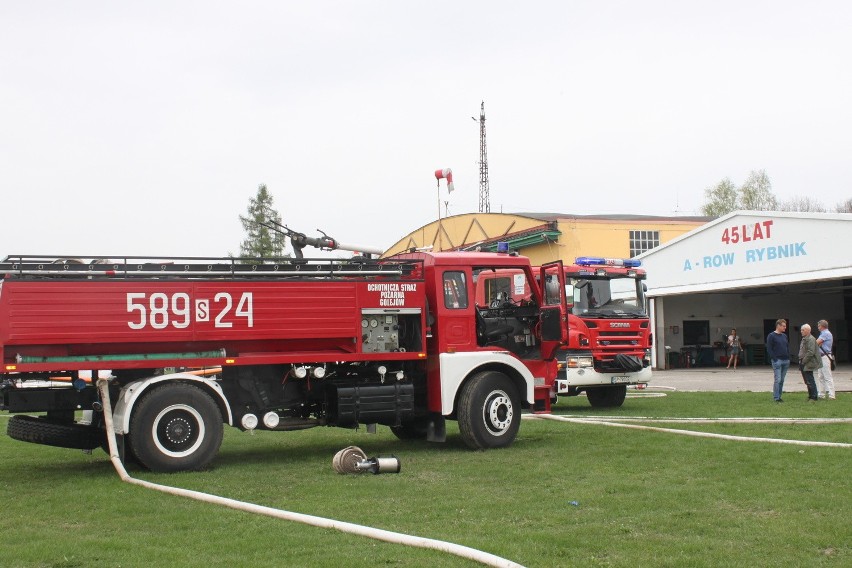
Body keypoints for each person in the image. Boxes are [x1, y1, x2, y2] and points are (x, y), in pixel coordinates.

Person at [766, 319, 790, 402]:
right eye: (783, 326)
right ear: (778, 326)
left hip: (786, 360)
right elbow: (769, 349)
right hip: (777, 361)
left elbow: (786, 347)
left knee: (782, 380)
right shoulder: (771, 336)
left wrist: (788, 357)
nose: (785, 328)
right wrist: (775, 359)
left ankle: (779, 396)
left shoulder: (784, 336)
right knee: (778, 379)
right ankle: (776, 398)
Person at [797, 324, 820, 402]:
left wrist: (804, 361)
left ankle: (814, 397)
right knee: (807, 380)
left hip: (807, 362)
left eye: (803, 330)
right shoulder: (804, 339)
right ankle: (810, 396)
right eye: (801, 330)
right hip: (803, 361)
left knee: (810, 379)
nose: (801, 331)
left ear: (808, 330)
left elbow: (811, 352)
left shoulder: (811, 339)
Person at [815, 319, 836, 400]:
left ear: (822, 326)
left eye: (819, 326)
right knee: (821, 376)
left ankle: (831, 395)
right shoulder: (824, 333)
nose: (818, 327)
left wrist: (818, 343)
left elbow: (816, 343)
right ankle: (821, 394)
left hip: (824, 356)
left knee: (827, 376)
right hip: (821, 356)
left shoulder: (825, 334)